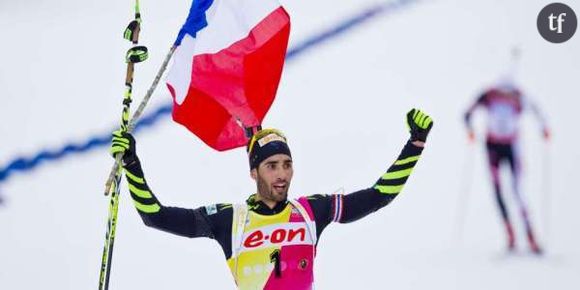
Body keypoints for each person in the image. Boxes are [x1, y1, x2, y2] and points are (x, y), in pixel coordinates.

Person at [110, 108, 433, 289]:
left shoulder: (310, 211)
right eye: (272, 166)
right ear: (254, 172)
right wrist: (133, 165)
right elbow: (156, 216)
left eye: (287, 165)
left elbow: (380, 195)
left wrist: (414, 145)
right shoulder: (229, 220)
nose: (282, 174)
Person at [464, 81, 549, 254]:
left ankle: (531, 237)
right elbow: (466, 114)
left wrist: (544, 128)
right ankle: (510, 234)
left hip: (511, 147)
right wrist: (470, 130)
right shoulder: (489, 94)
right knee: (498, 191)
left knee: (517, 192)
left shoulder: (518, 94)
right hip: (492, 147)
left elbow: (536, 110)